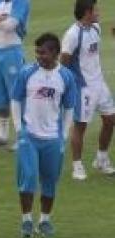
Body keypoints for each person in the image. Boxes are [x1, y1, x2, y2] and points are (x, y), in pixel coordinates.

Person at [11, 32, 77, 238]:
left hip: (52, 138)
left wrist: (64, 134)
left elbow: (69, 107)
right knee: (29, 178)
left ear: (56, 53)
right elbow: (15, 99)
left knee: (49, 181)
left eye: (44, 53)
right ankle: (27, 220)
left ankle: (45, 221)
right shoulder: (27, 73)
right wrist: (19, 129)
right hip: (29, 135)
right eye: (37, 52)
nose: (39, 56)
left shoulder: (65, 76)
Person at [61, 0, 115, 180]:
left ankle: (101, 158)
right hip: (83, 88)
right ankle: (77, 166)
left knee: (110, 120)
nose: (98, 12)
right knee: (81, 126)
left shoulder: (96, 28)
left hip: (100, 84)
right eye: (96, 9)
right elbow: (64, 62)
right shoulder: (73, 35)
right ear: (87, 12)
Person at [0, 0, 30, 149]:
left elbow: (11, 25)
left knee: (16, 95)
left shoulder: (21, 2)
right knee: (0, 96)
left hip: (12, 52)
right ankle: (2, 136)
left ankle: (22, 136)